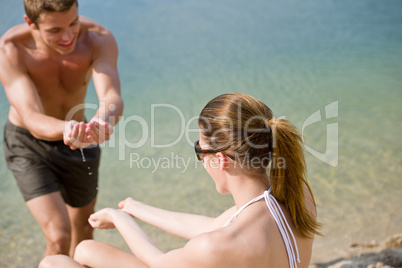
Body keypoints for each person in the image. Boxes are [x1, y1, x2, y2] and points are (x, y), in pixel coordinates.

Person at [39, 93, 321, 268]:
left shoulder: (216, 246)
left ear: (221, 159)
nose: (199, 158)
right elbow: (211, 226)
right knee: (86, 248)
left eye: (199, 149)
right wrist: (135, 208)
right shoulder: (295, 196)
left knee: (53, 263)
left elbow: (159, 262)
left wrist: (119, 218)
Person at [0, 0, 123, 258]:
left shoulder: (97, 39)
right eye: (54, 30)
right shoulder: (11, 49)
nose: (68, 37)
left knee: (85, 231)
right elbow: (31, 116)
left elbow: (111, 97)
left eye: (73, 23)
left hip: (82, 139)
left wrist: (102, 121)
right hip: (28, 143)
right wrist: (67, 128)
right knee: (58, 235)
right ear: (30, 23)